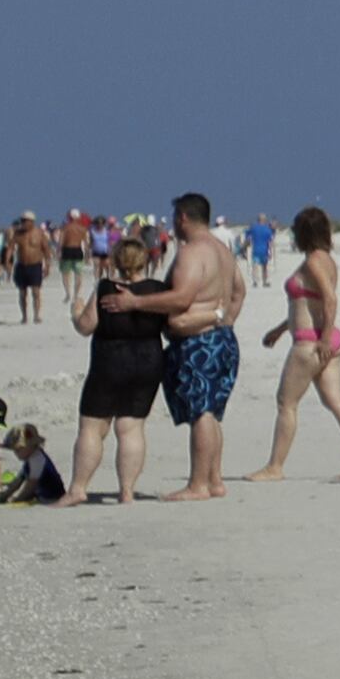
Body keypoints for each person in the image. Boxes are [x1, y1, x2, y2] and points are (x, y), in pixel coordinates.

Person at [103, 193, 242, 502]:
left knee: (202, 412)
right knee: (211, 412)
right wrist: (222, 319)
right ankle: (214, 480)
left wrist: (135, 302)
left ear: (182, 217)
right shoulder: (222, 250)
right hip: (219, 339)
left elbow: (181, 297)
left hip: (199, 342)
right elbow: (238, 292)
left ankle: (198, 485)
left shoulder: (193, 253)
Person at [246, 206, 340, 482]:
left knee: (286, 402)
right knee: (335, 400)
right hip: (323, 337)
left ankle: (275, 466)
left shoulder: (314, 262)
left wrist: (324, 337)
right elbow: (308, 304)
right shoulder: (326, 259)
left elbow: (329, 300)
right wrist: (280, 330)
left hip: (312, 343)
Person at [59, 232, 171, 505]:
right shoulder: (157, 291)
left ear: (116, 261)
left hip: (110, 359)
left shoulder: (106, 288)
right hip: (147, 360)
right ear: (144, 261)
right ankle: (127, 491)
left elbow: (86, 327)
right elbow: (170, 327)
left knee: (92, 426)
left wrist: (75, 313)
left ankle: (78, 488)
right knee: (131, 427)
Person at [9, 213, 54, 324]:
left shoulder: (39, 234)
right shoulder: (18, 234)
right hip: (21, 265)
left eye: (25, 221)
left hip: (35, 265)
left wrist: (47, 266)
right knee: (22, 293)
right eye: (22, 221)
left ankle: (36, 315)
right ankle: (24, 316)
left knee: (36, 292)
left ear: (32, 222)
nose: (23, 223)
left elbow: (46, 250)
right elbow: (10, 248)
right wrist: (7, 262)